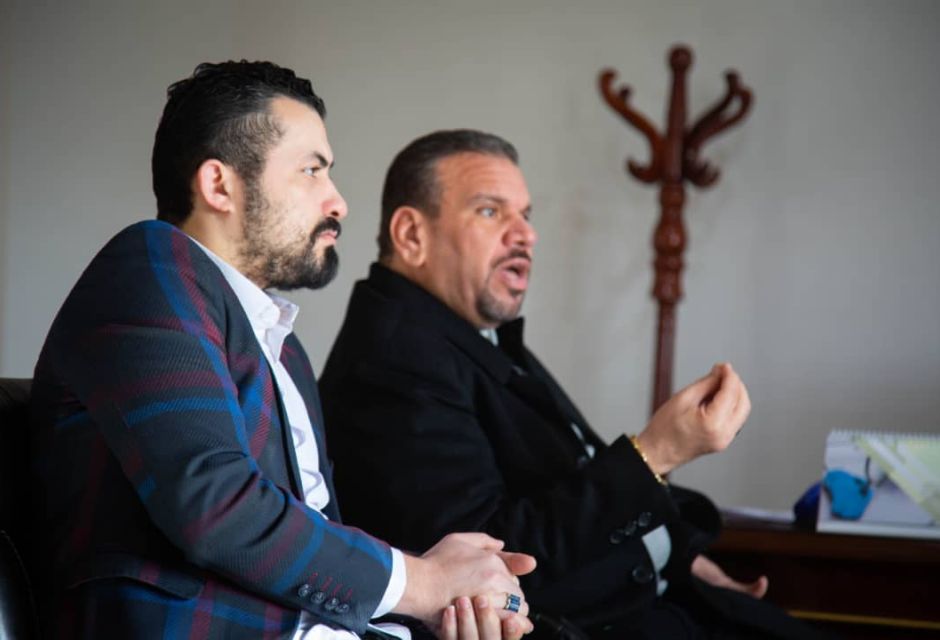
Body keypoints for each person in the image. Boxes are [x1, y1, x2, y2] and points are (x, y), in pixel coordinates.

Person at [29, 65, 536, 640]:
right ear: (219, 185)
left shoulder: (279, 343)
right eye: (312, 170)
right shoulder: (149, 265)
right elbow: (214, 506)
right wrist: (422, 582)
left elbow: (301, 551)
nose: (338, 202)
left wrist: (452, 599)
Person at [319, 130, 827, 639]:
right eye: (491, 212)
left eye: (526, 215)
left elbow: (565, 484)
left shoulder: (461, 333)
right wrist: (656, 453)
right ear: (412, 235)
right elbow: (491, 565)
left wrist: (676, 553)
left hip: (668, 596)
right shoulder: (394, 361)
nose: (526, 235)